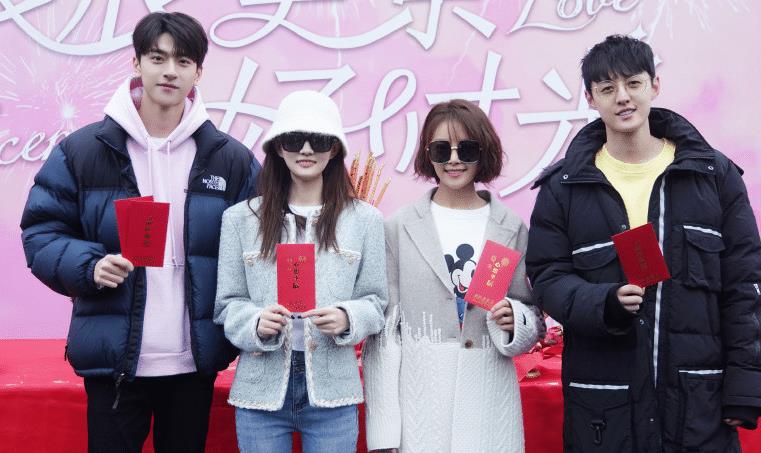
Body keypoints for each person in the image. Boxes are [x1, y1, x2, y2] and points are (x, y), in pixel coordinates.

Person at [20, 12, 259, 453]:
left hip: (193, 361)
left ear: (198, 72)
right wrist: (90, 265)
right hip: (115, 359)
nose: (170, 71)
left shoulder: (231, 159)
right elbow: (41, 232)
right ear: (136, 63)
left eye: (183, 61)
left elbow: (259, 246)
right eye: (157, 57)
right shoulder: (83, 151)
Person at [526, 35, 761, 452]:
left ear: (654, 85)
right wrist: (603, 302)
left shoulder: (713, 175)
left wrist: (746, 384)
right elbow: (547, 276)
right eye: (607, 88)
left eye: (633, 83)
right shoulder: (564, 186)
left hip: (697, 407)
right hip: (604, 411)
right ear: (590, 98)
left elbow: (745, 285)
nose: (622, 98)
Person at [363, 99, 543, 453]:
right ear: (427, 154)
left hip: (489, 402)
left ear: (484, 152)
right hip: (421, 407)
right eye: (441, 149)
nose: (454, 160)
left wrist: (515, 319)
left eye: (467, 149)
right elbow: (384, 336)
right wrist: (384, 433)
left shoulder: (509, 227)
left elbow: (532, 314)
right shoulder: (399, 227)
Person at [214, 90, 387, 453]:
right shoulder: (240, 219)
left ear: (334, 149)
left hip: (333, 390)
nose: (306, 150)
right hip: (261, 389)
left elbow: (376, 302)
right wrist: (255, 323)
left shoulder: (365, 220)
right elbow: (227, 305)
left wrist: (347, 317)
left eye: (319, 140)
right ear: (278, 147)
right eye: (294, 139)